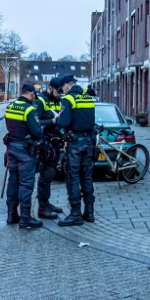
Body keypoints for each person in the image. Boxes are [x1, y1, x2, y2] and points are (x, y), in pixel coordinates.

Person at [3, 84, 44, 229]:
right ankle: (25, 218)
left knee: (13, 180)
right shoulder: (29, 109)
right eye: (34, 96)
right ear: (31, 94)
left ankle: (11, 215)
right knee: (26, 183)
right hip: (25, 151)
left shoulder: (10, 107)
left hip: (11, 148)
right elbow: (37, 132)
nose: (34, 99)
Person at [57, 74, 96, 226]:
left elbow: (64, 121)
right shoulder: (88, 98)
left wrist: (58, 119)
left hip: (74, 143)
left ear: (67, 85)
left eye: (63, 89)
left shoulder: (68, 99)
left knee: (72, 177)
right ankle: (89, 212)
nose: (63, 91)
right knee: (87, 177)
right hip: (89, 141)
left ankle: (75, 214)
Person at [34, 78, 64, 219]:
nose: (60, 94)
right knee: (45, 175)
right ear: (51, 88)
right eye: (58, 91)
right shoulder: (40, 101)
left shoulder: (57, 100)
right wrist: (51, 121)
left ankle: (46, 202)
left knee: (50, 174)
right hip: (46, 143)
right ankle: (42, 208)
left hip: (56, 141)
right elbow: (35, 122)